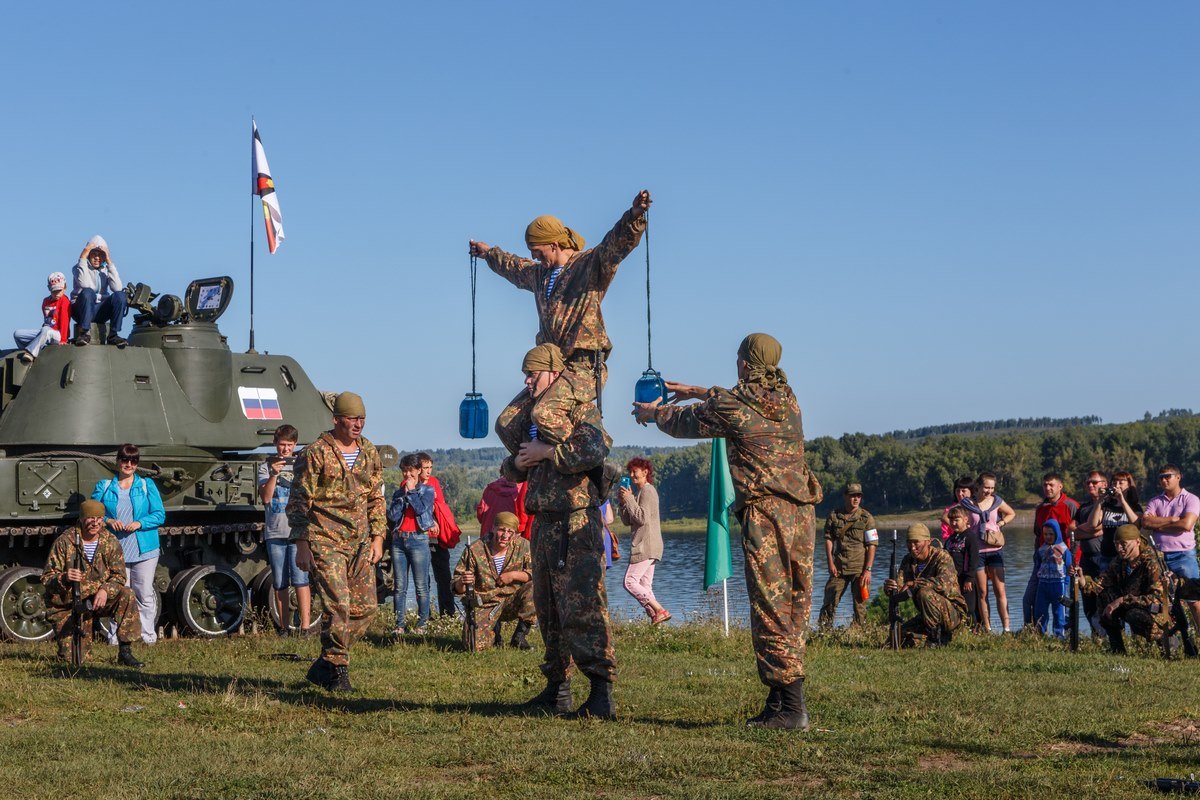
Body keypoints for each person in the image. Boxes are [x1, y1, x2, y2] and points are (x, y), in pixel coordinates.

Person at [635, 333, 822, 731]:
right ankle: (778, 701)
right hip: (801, 513)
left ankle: (792, 709)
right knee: (793, 603)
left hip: (767, 515)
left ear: (744, 363)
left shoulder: (734, 405)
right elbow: (736, 402)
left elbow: (684, 423)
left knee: (771, 606)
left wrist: (652, 413)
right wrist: (695, 389)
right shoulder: (788, 399)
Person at [469, 190, 651, 452]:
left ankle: (583, 458)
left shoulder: (588, 266)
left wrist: (633, 217)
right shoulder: (540, 275)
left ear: (554, 245)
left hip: (582, 367)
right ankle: (533, 470)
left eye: (538, 251)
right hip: (550, 366)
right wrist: (488, 253)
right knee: (506, 423)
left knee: (544, 413)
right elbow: (513, 266)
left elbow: (615, 246)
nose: (534, 257)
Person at [503, 343, 614, 719]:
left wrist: (548, 453)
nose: (527, 380)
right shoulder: (539, 415)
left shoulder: (580, 407)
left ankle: (601, 694)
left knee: (582, 606)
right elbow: (512, 431)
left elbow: (594, 450)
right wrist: (520, 461)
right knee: (549, 608)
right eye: (524, 373)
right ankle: (557, 689)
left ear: (554, 373)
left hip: (575, 519)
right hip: (545, 520)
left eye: (533, 373)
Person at [288, 391, 386, 692]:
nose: (357, 425)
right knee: (338, 606)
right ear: (336, 420)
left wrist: (378, 537)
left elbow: (375, 497)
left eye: (361, 419)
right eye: (352, 419)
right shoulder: (315, 453)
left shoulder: (369, 451)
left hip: (358, 541)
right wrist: (302, 544)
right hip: (324, 538)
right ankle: (337, 670)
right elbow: (299, 501)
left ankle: (326, 662)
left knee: (367, 608)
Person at [42, 499, 144, 667]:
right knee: (75, 661)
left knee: (127, 594)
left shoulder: (110, 541)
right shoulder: (65, 542)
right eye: (90, 518)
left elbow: (119, 575)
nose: (95, 522)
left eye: (99, 518)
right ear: (81, 519)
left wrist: (105, 590)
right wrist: (64, 577)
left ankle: (125, 652)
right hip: (70, 606)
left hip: (98, 600)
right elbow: (47, 578)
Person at [92, 444, 165, 645]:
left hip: (144, 548)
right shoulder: (104, 486)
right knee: (118, 594)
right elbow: (92, 512)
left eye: (133, 461)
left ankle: (147, 636)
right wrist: (107, 521)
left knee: (144, 593)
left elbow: (159, 514)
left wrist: (140, 523)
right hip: (116, 550)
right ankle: (116, 636)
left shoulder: (146, 485)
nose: (129, 464)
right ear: (118, 461)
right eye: (125, 460)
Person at [1077, 524, 1172, 654]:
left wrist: (1122, 600)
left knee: (1133, 615)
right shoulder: (1120, 561)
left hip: (1159, 613)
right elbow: (1101, 585)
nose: (1119, 548)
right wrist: (1082, 580)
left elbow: (1158, 599)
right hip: (1132, 605)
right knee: (1104, 596)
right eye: (1116, 544)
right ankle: (1118, 650)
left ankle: (1167, 645)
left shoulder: (1152, 562)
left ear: (1137, 542)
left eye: (1123, 544)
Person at [453, 511, 535, 651]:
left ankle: (519, 637)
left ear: (515, 533)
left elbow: (535, 573)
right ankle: (494, 632)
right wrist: (462, 582)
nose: (505, 535)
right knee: (473, 647)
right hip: (485, 604)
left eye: (510, 531)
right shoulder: (474, 549)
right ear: (493, 528)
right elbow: (455, 587)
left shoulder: (524, 546)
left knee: (537, 587)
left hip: (512, 600)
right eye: (502, 530)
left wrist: (514, 575)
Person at [257, 424, 311, 633]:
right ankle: (284, 626)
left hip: (297, 531)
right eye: (282, 445)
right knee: (279, 581)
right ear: (275, 444)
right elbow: (266, 497)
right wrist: (273, 474)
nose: (285, 449)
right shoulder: (265, 466)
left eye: (289, 445)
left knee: (300, 579)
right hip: (276, 530)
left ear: (295, 445)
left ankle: (305, 627)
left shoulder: (302, 465)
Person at [1075, 470, 1142, 633]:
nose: (1117, 486)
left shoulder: (1134, 506)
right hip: (1107, 557)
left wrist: (1122, 500)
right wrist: (1099, 501)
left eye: (1121, 483)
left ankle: (1135, 634)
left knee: (1130, 594)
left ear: (1128, 485)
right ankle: (1112, 633)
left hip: (1128, 557)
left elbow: (1137, 523)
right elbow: (1092, 524)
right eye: (1115, 482)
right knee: (1106, 594)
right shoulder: (1107, 505)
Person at [883, 523, 968, 647]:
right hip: (926, 615)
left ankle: (935, 640)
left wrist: (915, 583)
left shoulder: (942, 557)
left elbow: (944, 584)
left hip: (952, 613)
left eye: (916, 542)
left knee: (924, 592)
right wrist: (890, 589)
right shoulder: (908, 560)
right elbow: (901, 589)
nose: (912, 547)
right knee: (895, 639)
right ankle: (925, 637)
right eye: (909, 542)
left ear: (928, 541)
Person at [1141, 464, 1200, 629]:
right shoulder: (1155, 501)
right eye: (1161, 477)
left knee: (1194, 601)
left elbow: (1187, 524)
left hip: (1184, 556)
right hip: (1160, 557)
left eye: (1168, 476)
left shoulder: (1191, 499)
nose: (1164, 480)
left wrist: (1158, 525)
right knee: (1163, 602)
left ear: (1178, 477)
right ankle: (1173, 642)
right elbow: (1146, 522)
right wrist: (1174, 519)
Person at [959, 472, 1016, 632]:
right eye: (986, 487)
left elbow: (1011, 513)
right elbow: (955, 517)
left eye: (992, 488)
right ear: (978, 486)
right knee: (983, 592)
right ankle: (988, 628)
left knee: (1000, 590)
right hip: (978, 553)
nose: (989, 491)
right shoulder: (967, 503)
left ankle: (1006, 628)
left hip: (995, 551)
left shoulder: (996, 501)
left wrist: (1002, 522)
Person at [386, 453, 436, 635]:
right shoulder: (398, 493)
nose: (408, 474)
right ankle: (399, 625)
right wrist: (402, 497)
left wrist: (413, 492)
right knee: (399, 586)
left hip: (418, 539)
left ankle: (422, 624)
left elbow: (421, 509)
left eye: (411, 470)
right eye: (404, 471)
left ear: (418, 471)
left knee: (421, 586)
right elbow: (392, 516)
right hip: (399, 540)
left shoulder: (428, 490)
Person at [817, 483, 878, 629]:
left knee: (860, 605)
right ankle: (823, 632)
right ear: (845, 496)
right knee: (829, 601)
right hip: (839, 567)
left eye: (858, 496)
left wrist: (868, 570)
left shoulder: (866, 518)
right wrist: (830, 563)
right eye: (852, 495)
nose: (856, 499)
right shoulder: (834, 516)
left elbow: (872, 545)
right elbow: (828, 539)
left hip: (860, 569)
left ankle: (859, 634)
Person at [1023, 473, 1078, 629]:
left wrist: (1074, 562)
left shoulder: (1071, 505)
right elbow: (1038, 535)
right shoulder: (1041, 508)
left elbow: (1078, 535)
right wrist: (1037, 557)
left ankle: (1064, 633)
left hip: (1065, 566)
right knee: (1028, 599)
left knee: (1063, 602)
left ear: (1060, 486)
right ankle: (1032, 631)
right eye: (1045, 485)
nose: (1048, 488)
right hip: (1042, 563)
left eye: (1051, 485)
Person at [617, 457, 669, 624]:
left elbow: (642, 518)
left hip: (646, 545)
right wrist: (623, 502)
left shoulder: (648, 491)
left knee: (629, 581)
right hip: (648, 545)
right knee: (645, 585)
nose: (632, 475)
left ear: (645, 472)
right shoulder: (639, 493)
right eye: (630, 472)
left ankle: (659, 609)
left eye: (635, 471)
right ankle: (655, 616)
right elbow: (627, 521)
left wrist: (630, 499)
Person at [419, 452, 461, 618]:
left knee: (443, 576)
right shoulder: (410, 483)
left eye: (430, 467)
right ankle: (424, 614)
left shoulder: (435, 482)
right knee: (422, 579)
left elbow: (439, 505)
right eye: (425, 468)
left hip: (438, 538)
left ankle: (448, 613)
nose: (428, 471)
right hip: (420, 537)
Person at [69, 237, 129, 346]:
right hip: (81, 309)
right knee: (88, 292)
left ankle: (113, 334)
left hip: (99, 310)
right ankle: (84, 333)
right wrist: (83, 257)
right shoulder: (78, 268)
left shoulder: (105, 270)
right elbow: (85, 285)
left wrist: (109, 263)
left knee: (120, 295)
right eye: (94, 254)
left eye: (101, 255)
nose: (97, 258)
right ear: (88, 254)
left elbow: (117, 288)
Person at [12, 271, 71, 363]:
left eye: (59, 290)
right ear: (49, 289)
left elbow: (65, 321)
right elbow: (47, 320)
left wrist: (63, 339)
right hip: (46, 332)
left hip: (58, 334)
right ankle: (33, 348)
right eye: (54, 291)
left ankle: (31, 353)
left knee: (46, 330)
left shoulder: (65, 301)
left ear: (65, 287)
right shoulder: (45, 301)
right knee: (18, 334)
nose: (57, 294)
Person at [943, 506, 984, 626]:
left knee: (969, 607)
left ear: (966, 520)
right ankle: (959, 629)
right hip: (952, 579)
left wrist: (969, 578)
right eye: (951, 520)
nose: (953, 523)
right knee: (955, 605)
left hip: (966, 579)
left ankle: (975, 629)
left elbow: (974, 559)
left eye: (957, 520)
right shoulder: (950, 539)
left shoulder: (970, 537)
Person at [1032, 520, 1073, 638]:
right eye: (1045, 534)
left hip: (1058, 584)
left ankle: (1059, 636)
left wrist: (1066, 585)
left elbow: (1069, 568)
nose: (1048, 537)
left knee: (1059, 613)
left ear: (1056, 533)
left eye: (1051, 534)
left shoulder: (1064, 549)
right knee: (1040, 611)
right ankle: (1040, 635)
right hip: (1043, 585)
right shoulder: (1041, 549)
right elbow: (1037, 565)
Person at [476, 469, 528, 543]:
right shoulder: (521, 489)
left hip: (489, 535)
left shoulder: (490, 488)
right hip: (511, 536)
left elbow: (480, 514)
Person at [939, 477, 975, 541]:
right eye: (957, 491)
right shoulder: (949, 511)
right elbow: (945, 533)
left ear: (971, 491)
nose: (960, 494)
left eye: (963, 491)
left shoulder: (978, 507)